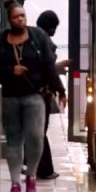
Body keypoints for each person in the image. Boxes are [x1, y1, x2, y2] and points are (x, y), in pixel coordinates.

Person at [0, 0, 66, 192]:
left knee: (35, 136)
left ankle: (32, 174)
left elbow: (48, 65)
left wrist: (60, 89)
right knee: (14, 140)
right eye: (16, 17)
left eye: (23, 16)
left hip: (34, 95)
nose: (20, 19)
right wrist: (11, 70)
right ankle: (15, 183)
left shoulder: (37, 37)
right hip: (9, 97)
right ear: (9, 20)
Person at [31, 10, 69, 180]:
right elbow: (48, 69)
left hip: (27, 91)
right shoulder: (46, 42)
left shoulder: (30, 38)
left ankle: (29, 163)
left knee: (33, 130)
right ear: (52, 27)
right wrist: (61, 90)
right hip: (41, 92)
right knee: (41, 130)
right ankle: (44, 169)